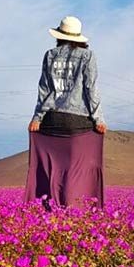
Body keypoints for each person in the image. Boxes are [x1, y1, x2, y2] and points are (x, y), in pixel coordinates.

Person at [24, 16, 107, 209]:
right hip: (78, 122)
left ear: (59, 36)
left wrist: (37, 117)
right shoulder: (88, 56)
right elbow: (91, 89)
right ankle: (76, 207)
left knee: (52, 167)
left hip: (52, 120)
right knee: (78, 170)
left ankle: (50, 208)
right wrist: (98, 119)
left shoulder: (49, 55)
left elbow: (44, 89)